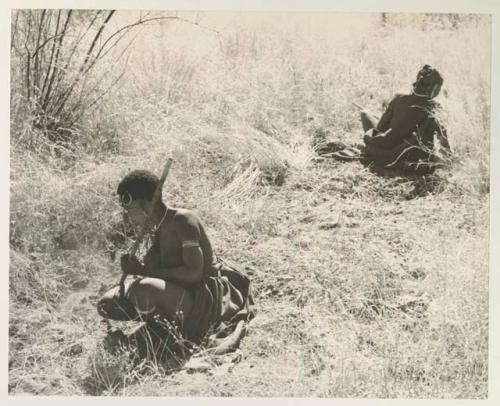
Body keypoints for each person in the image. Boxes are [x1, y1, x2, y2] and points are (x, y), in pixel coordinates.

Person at [97, 170, 255, 347]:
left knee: (144, 290)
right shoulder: (155, 227)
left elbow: (194, 274)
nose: (126, 217)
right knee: (106, 304)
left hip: (202, 299)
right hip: (178, 292)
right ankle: (157, 329)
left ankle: (163, 335)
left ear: (148, 205)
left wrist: (143, 271)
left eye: (130, 210)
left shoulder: (183, 221)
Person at [359, 65, 451, 172]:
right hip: (411, 156)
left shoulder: (399, 97)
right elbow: (444, 143)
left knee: (365, 113)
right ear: (434, 88)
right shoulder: (435, 108)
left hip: (385, 145)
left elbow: (380, 127)